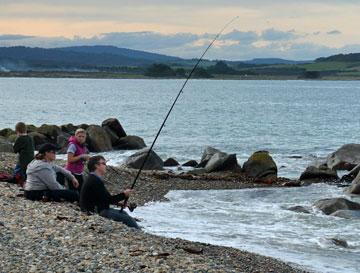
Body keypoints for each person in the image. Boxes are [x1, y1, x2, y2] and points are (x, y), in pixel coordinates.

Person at [80, 155, 139, 229]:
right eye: (104, 163)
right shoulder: (94, 180)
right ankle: (140, 232)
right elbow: (108, 199)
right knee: (128, 219)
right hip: (94, 212)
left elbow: (103, 198)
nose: (106, 166)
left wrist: (119, 204)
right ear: (96, 165)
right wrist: (124, 194)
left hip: (98, 209)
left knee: (124, 213)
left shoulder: (93, 178)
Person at [13, 122, 35, 187]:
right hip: (31, 159)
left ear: (17, 131)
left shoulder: (20, 139)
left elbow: (15, 150)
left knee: (18, 170)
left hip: (22, 161)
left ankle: (18, 177)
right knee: (27, 172)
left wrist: (16, 140)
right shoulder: (30, 138)